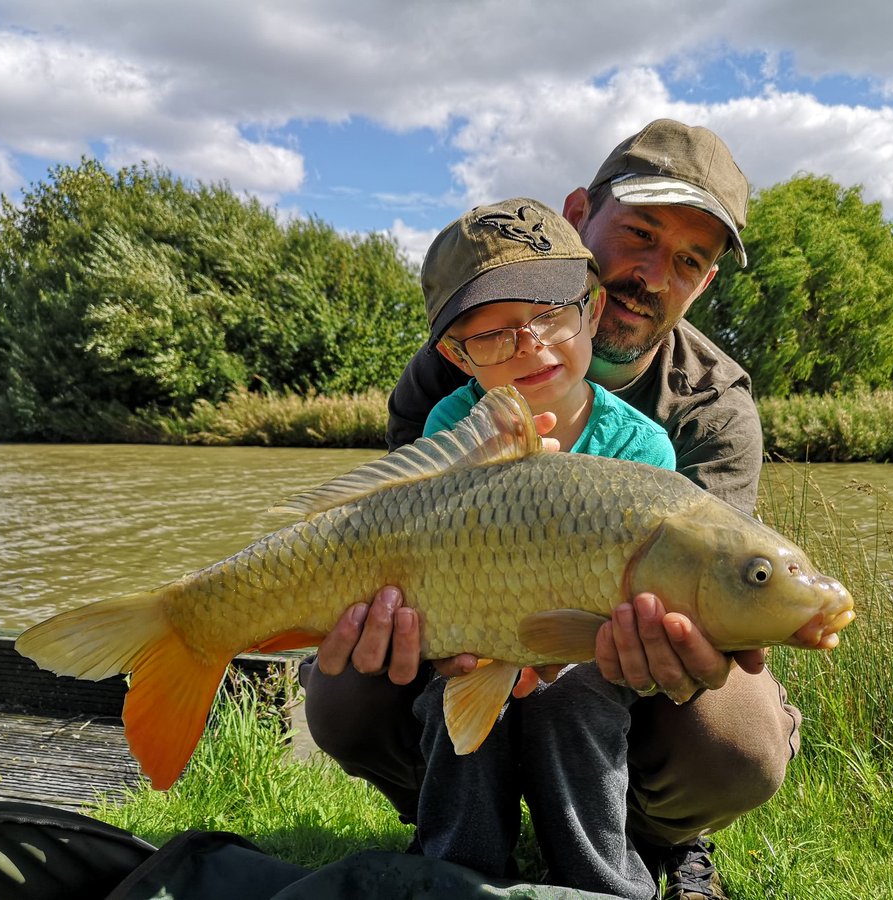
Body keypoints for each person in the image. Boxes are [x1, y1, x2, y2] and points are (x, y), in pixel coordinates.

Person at [302, 119, 801, 900]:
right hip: (472, 633)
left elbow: (721, 590)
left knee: (740, 734)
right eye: (638, 233)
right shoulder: (446, 378)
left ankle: (661, 838)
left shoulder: (711, 403)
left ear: (704, 283)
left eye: (689, 261)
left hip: (618, 670)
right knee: (339, 681)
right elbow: (395, 528)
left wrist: (695, 644)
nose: (653, 273)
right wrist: (444, 636)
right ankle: (451, 826)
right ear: (578, 215)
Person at [411, 197, 676, 898]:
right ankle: (457, 878)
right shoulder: (448, 422)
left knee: (576, 696)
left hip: (593, 655)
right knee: (451, 695)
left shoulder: (641, 447)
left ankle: (600, 884)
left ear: (590, 312)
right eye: (493, 335)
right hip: (471, 638)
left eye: (550, 315)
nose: (530, 344)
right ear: (455, 354)